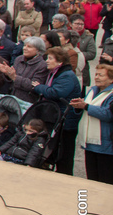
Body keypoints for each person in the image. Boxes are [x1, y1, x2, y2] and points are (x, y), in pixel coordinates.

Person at [31, 46, 82, 176]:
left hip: (66, 123)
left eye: (50, 58)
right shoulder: (55, 73)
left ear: (60, 62)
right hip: (56, 119)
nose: (47, 61)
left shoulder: (67, 76)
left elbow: (56, 93)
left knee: (64, 153)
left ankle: (65, 177)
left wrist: (39, 87)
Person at [70, 64, 113, 184]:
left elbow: (108, 114)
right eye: (96, 74)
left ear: (111, 79)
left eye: (101, 75)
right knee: (92, 180)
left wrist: (86, 106)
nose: (97, 77)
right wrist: (79, 106)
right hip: (89, 142)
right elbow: (86, 107)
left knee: (105, 181)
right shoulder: (93, 90)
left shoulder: (111, 93)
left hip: (104, 144)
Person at [0, 36, 48, 103]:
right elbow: (11, 79)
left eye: (29, 47)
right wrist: (7, 73)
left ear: (38, 50)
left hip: (27, 101)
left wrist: (15, 77)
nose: (25, 48)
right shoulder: (19, 59)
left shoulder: (42, 65)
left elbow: (34, 86)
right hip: (12, 98)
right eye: (24, 46)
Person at [70, 14, 98, 87]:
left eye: (81, 24)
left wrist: (76, 55)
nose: (79, 26)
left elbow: (92, 54)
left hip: (82, 69)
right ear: (71, 24)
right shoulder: (66, 35)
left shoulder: (88, 37)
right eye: (77, 24)